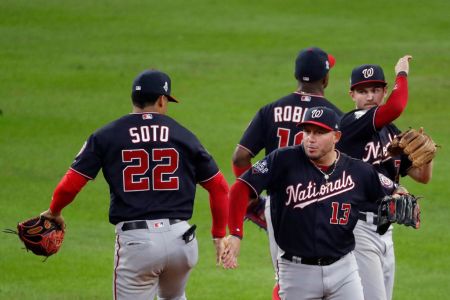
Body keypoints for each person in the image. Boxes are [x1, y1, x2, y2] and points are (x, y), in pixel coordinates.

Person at [40, 69, 230, 300]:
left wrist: (54, 211)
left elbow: (70, 185)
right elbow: (219, 187)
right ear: (162, 100)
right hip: (182, 241)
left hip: (138, 244)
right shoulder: (184, 135)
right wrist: (219, 234)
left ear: (134, 98)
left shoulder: (106, 135)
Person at [224, 106, 404, 300]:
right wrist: (235, 233)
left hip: (344, 270)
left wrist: (400, 198)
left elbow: (394, 190)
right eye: (307, 131)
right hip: (297, 273)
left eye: (319, 132)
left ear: (336, 136)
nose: (311, 138)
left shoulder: (358, 170)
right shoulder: (282, 160)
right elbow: (240, 189)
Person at [231, 47, 342, 299]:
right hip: (325, 205)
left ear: (296, 75)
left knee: (288, 280)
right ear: (325, 79)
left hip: (280, 206)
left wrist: (251, 199)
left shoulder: (271, 110)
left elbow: (240, 156)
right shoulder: (336, 118)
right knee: (332, 278)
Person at [336, 56, 433, 300]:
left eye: (376, 90)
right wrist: (402, 73)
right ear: (352, 95)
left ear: (384, 91)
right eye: (363, 91)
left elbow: (422, 177)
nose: (370, 97)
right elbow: (396, 107)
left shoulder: (391, 132)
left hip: (384, 230)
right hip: (356, 227)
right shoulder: (351, 123)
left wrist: (428, 155)